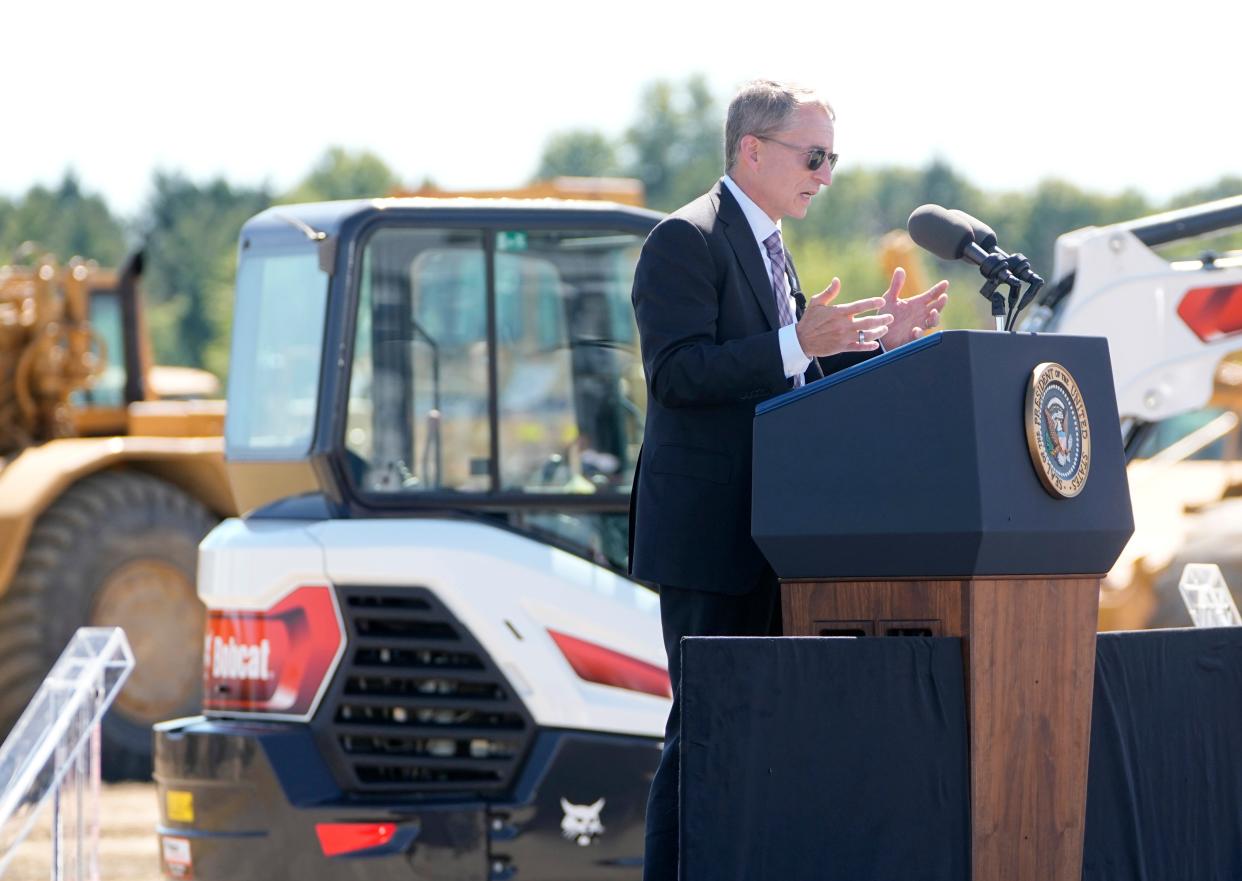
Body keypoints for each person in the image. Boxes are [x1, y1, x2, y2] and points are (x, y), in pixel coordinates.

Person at [628, 80, 949, 880]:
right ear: (752, 150)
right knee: (701, 730)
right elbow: (678, 373)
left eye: (832, 157)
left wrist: (876, 347)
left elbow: (789, 369)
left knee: (762, 730)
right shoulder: (685, 238)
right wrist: (796, 339)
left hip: (777, 529)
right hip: (711, 535)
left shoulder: (770, 243)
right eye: (814, 156)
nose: (826, 173)